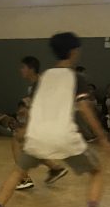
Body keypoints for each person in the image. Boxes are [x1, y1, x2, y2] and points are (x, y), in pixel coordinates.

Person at [0, 32, 110, 207]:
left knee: (17, 172)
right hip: (64, 137)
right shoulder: (77, 77)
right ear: (73, 51)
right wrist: (103, 138)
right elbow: (85, 109)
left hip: (37, 136)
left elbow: (33, 108)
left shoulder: (44, 77)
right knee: (97, 170)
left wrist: (25, 130)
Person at [14, 56, 69, 189]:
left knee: (16, 140)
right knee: (32, 148)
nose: (21, 70)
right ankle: (55, 168)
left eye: (23, 67)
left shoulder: (39, 85)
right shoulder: (36, 85)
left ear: (31, 69)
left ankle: (24, 179)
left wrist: (27, 126)